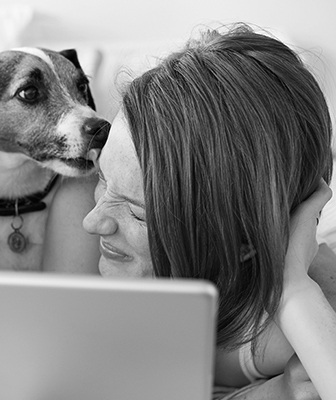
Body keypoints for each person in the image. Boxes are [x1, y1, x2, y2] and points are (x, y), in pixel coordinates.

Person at [83, 25, 336, 399]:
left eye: (138, 214)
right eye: (102, 179)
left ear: (240, 237)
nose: (92, 222)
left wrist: (293, 290)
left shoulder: (305, 316)